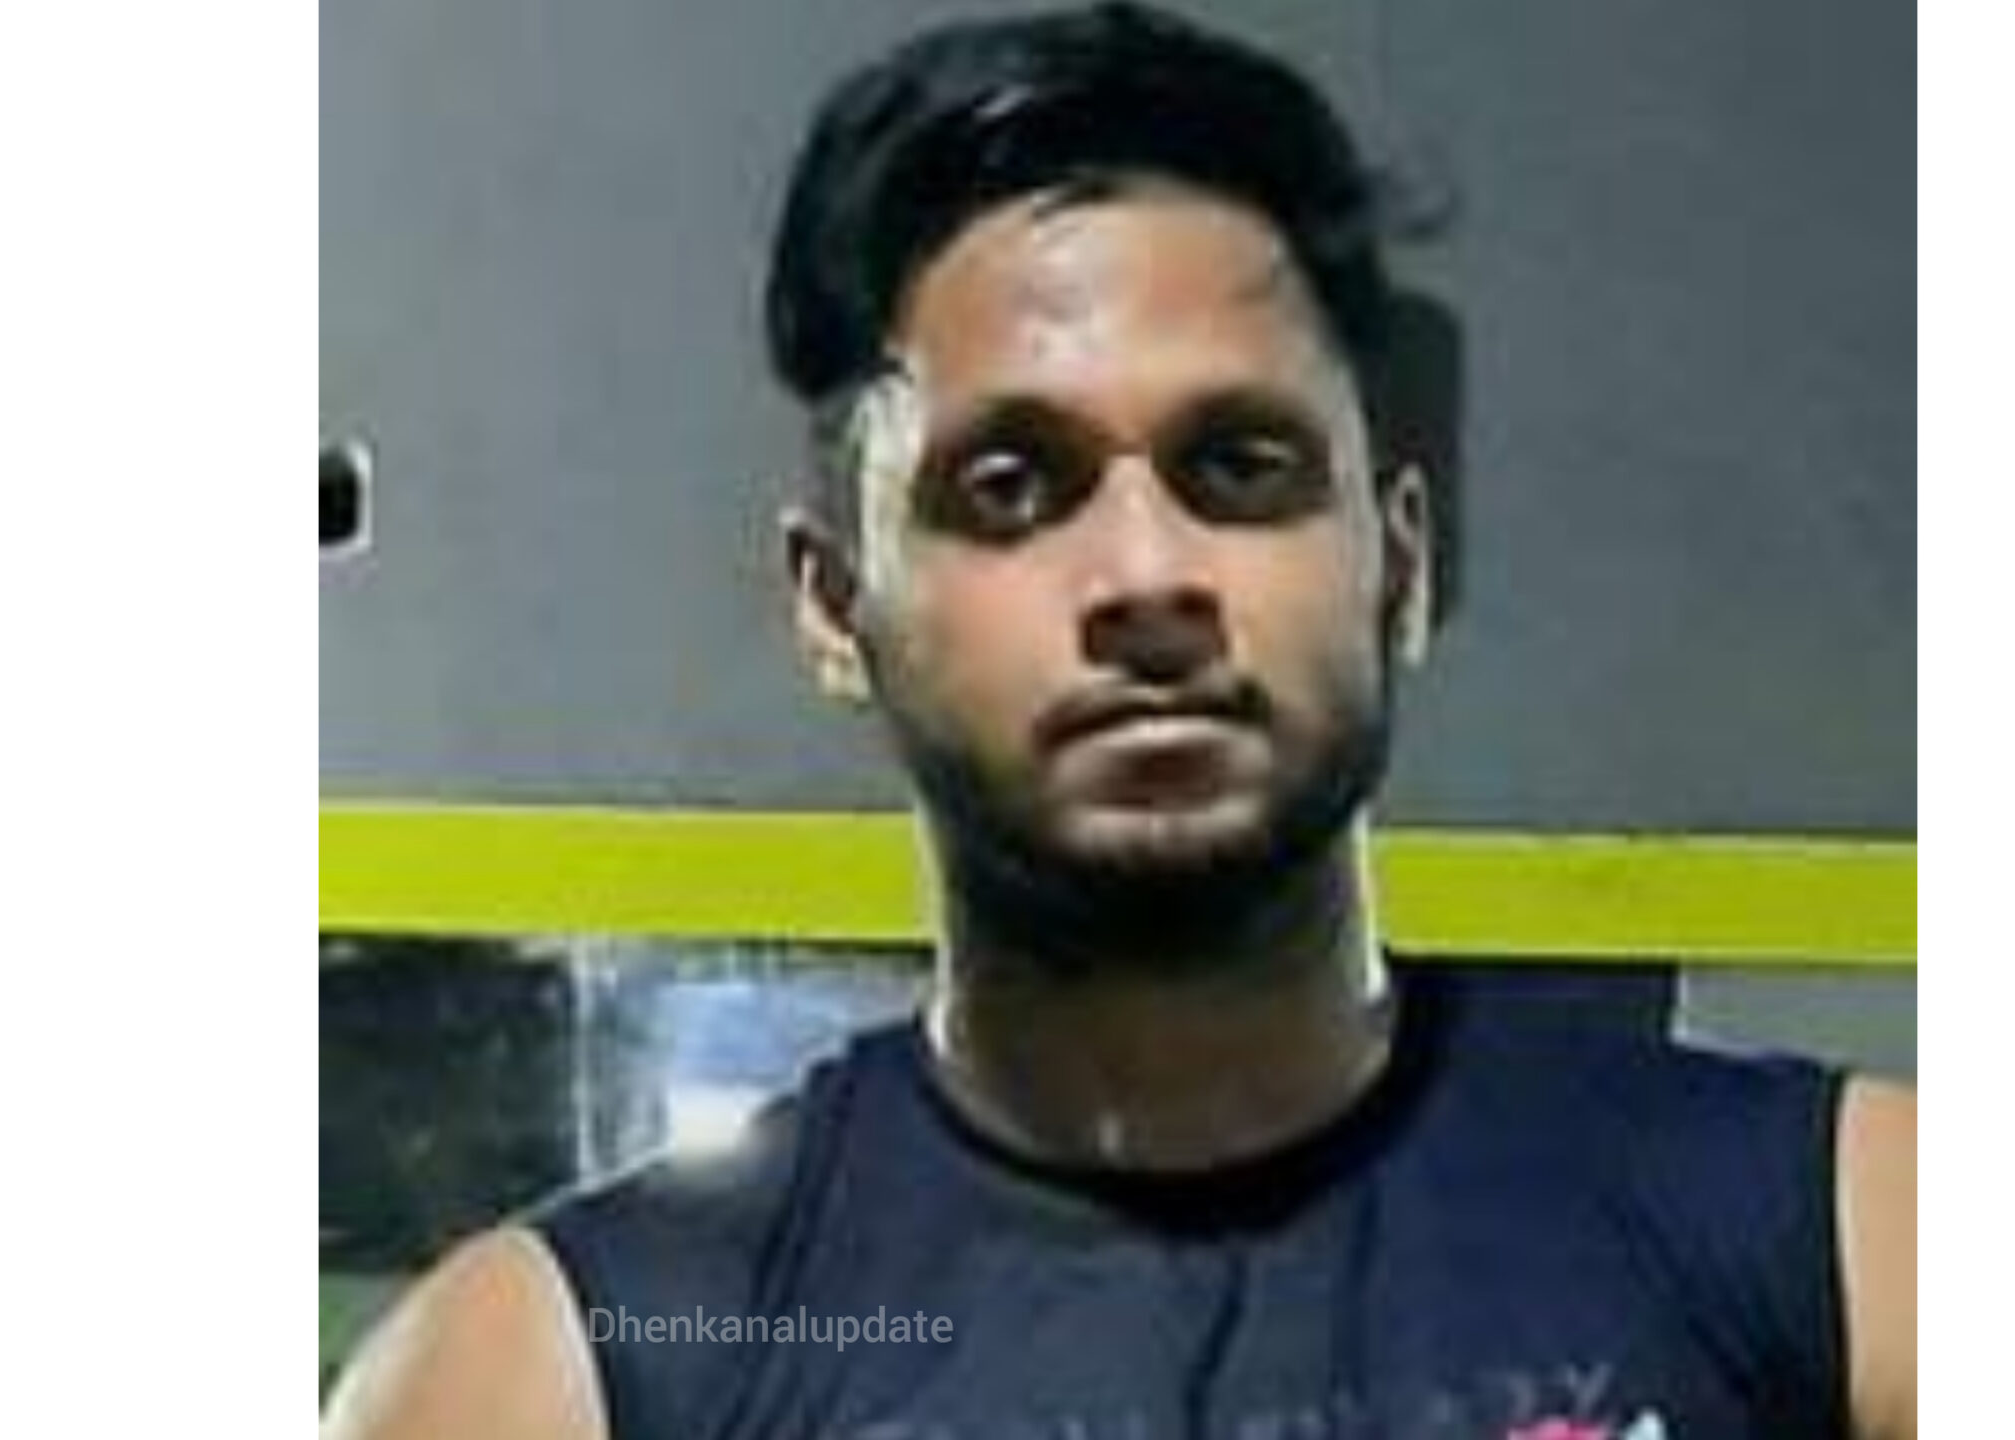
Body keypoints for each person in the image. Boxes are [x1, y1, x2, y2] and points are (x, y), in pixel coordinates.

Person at [322, 5, 1915, 1437]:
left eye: (1242, 467)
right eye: (1011, 487)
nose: (1147, 576)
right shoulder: (564, 1369)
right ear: (835, 603)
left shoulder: (1863, 1246)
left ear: (1402, 564)